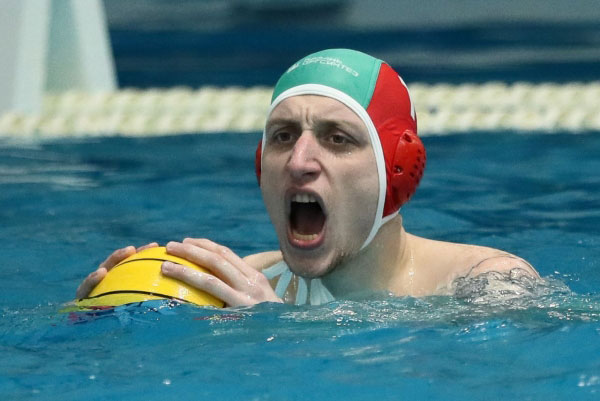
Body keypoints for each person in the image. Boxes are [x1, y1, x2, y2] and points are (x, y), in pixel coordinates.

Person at [76, 49, 538, 307]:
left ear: (397, 173)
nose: (299, 162)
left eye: (337, 138)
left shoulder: (487, 284)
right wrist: (93, 316)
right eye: (283, 136)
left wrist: (276, 328)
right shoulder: (233, 285)